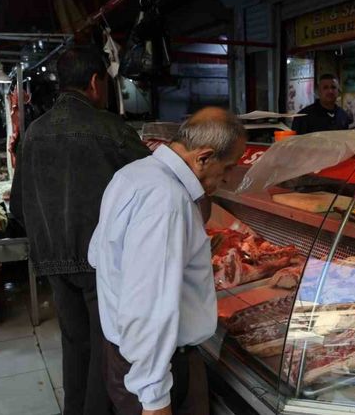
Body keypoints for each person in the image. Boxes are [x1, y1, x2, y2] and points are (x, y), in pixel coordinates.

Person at [10, 45, 151, 415]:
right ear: (94, 82)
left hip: (51, 259)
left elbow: (18, 207)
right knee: (105, 348)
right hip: (100, 261)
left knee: (75, 343)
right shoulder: (111, 129)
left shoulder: (34, 133)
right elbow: (157, 188)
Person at [88, 108, 247, 415]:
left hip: (126, 356)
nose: (227, 179)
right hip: (160, 368)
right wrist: (155, 399)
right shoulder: (167, 201)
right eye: (228, 167)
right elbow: (148, 308)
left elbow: (98, 254)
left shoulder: (133, 174)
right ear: (204, 157)